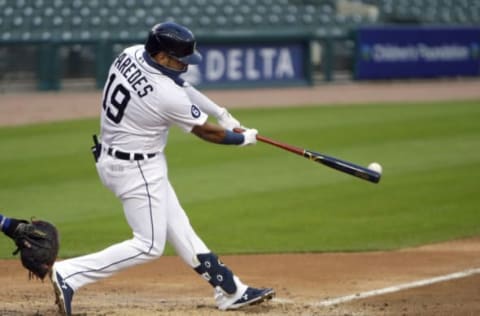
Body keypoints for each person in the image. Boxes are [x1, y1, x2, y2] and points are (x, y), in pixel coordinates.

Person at [50, 22, 275, 315]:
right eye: (179, 59)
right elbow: (206, 133)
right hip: (136, 168)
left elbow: (182, 85)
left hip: (119, 157)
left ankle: (231, 290)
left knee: (180, 228)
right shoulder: (164, 93)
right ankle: (69, 273)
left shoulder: (131, 54)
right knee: (149, 245)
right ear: (161, 57)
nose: (185, 65)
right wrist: (243, 138)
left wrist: (222, 114)